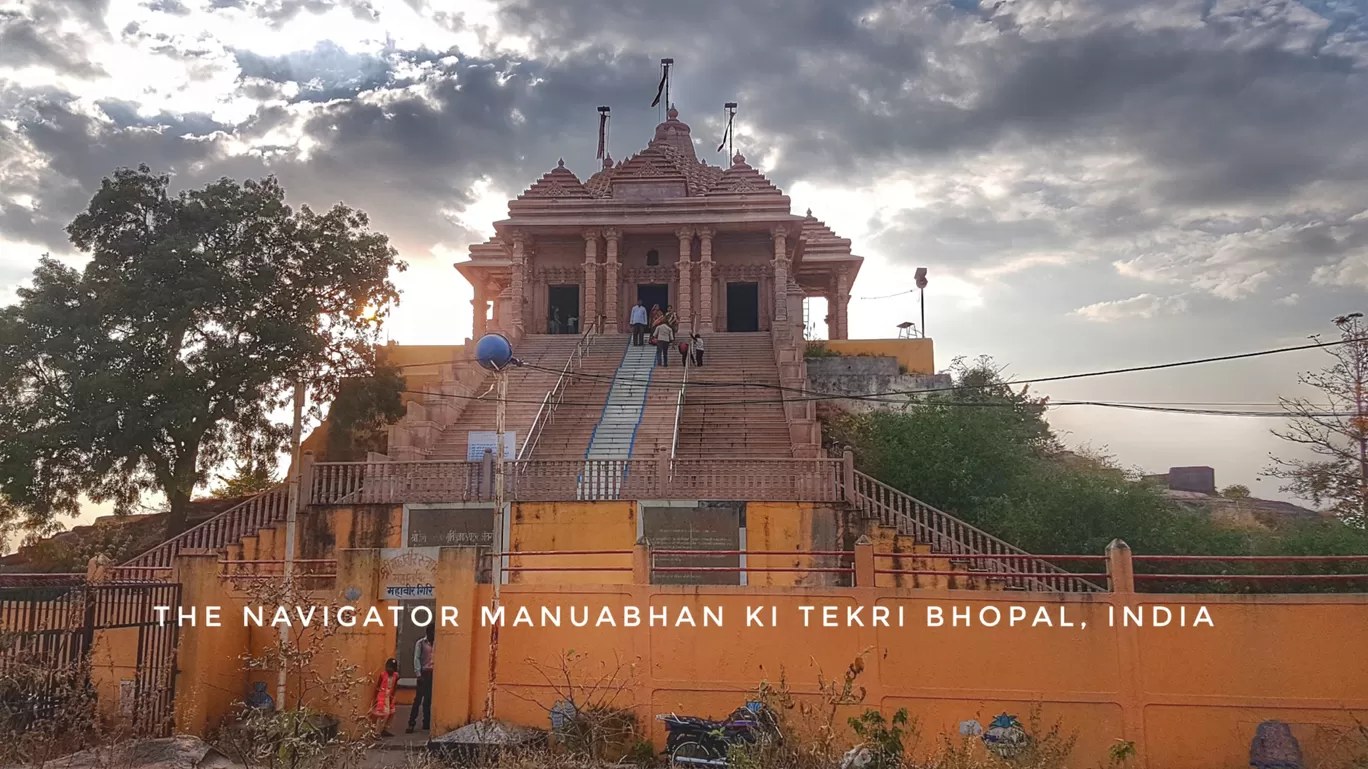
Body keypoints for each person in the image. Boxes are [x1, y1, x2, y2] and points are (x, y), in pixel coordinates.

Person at [406, 625, 434, 733]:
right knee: (418, 699)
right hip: (423, 673)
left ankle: (426, 722)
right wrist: (418, 674)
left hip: (433, 672)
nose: (433, 635)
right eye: (431, 633)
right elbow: (416, 658)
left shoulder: (437, 643)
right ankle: (411, 722)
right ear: (427, 632)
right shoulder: (421, 643)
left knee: (428, 699)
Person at [369, 658, 400, 738]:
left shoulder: (396, 676)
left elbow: (395, 686)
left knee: (391, 713)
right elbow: (378, 686)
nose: (389, 670)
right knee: (382, 714)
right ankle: (377, 732)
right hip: (382, 697)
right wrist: (376, 697)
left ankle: (384, 729)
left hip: (390, 696)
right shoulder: (383, 675)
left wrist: (392, 696)